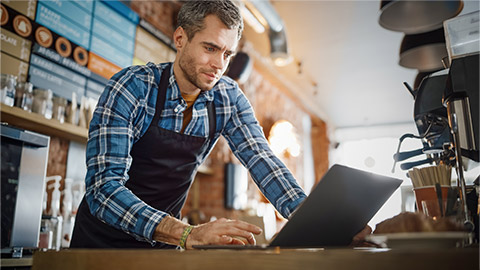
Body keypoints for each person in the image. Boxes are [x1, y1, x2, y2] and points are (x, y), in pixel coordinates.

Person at [71, 0, 368, 250]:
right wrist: (187, 233)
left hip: (161, 249)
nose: (219, 65)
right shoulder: (132, 88)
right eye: (210, 48)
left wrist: (320, 221)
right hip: (98, 245)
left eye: (227, 54)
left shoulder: (227, 98)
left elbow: (262, 160)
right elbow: (103, 190)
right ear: (180, 39)